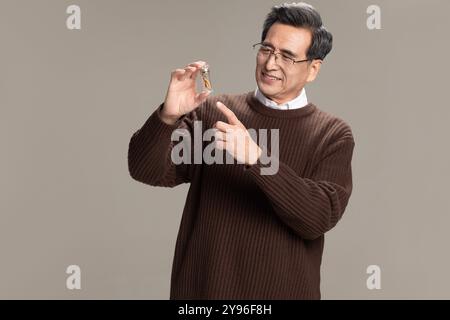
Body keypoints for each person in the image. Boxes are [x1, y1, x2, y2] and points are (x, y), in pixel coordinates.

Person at [128, 2, 355, 300]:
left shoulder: (332, 134)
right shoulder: (213, 112)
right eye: (266, 49)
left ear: (313, 68)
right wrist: (167, 118)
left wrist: (258, 160)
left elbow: (316, 219)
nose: (271, 64)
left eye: (287, 56)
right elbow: (145, 170)